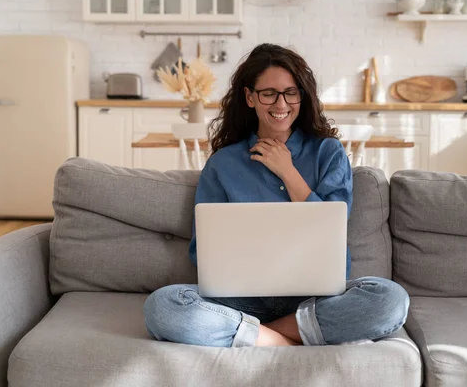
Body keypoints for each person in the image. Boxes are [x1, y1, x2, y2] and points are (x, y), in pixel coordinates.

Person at [144, 43, 409, 347]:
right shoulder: (223, 164)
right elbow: (201, 251)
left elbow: (329, 231)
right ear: (250, 97)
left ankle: (255, 334)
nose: (281, 103)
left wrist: (288, 171)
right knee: (163, 307)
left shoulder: (327, 153)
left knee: (390, 299)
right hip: (240, 299)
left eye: (291, 92)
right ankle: (291, 337)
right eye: (269, 93)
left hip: (314, 298)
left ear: (301, 96)